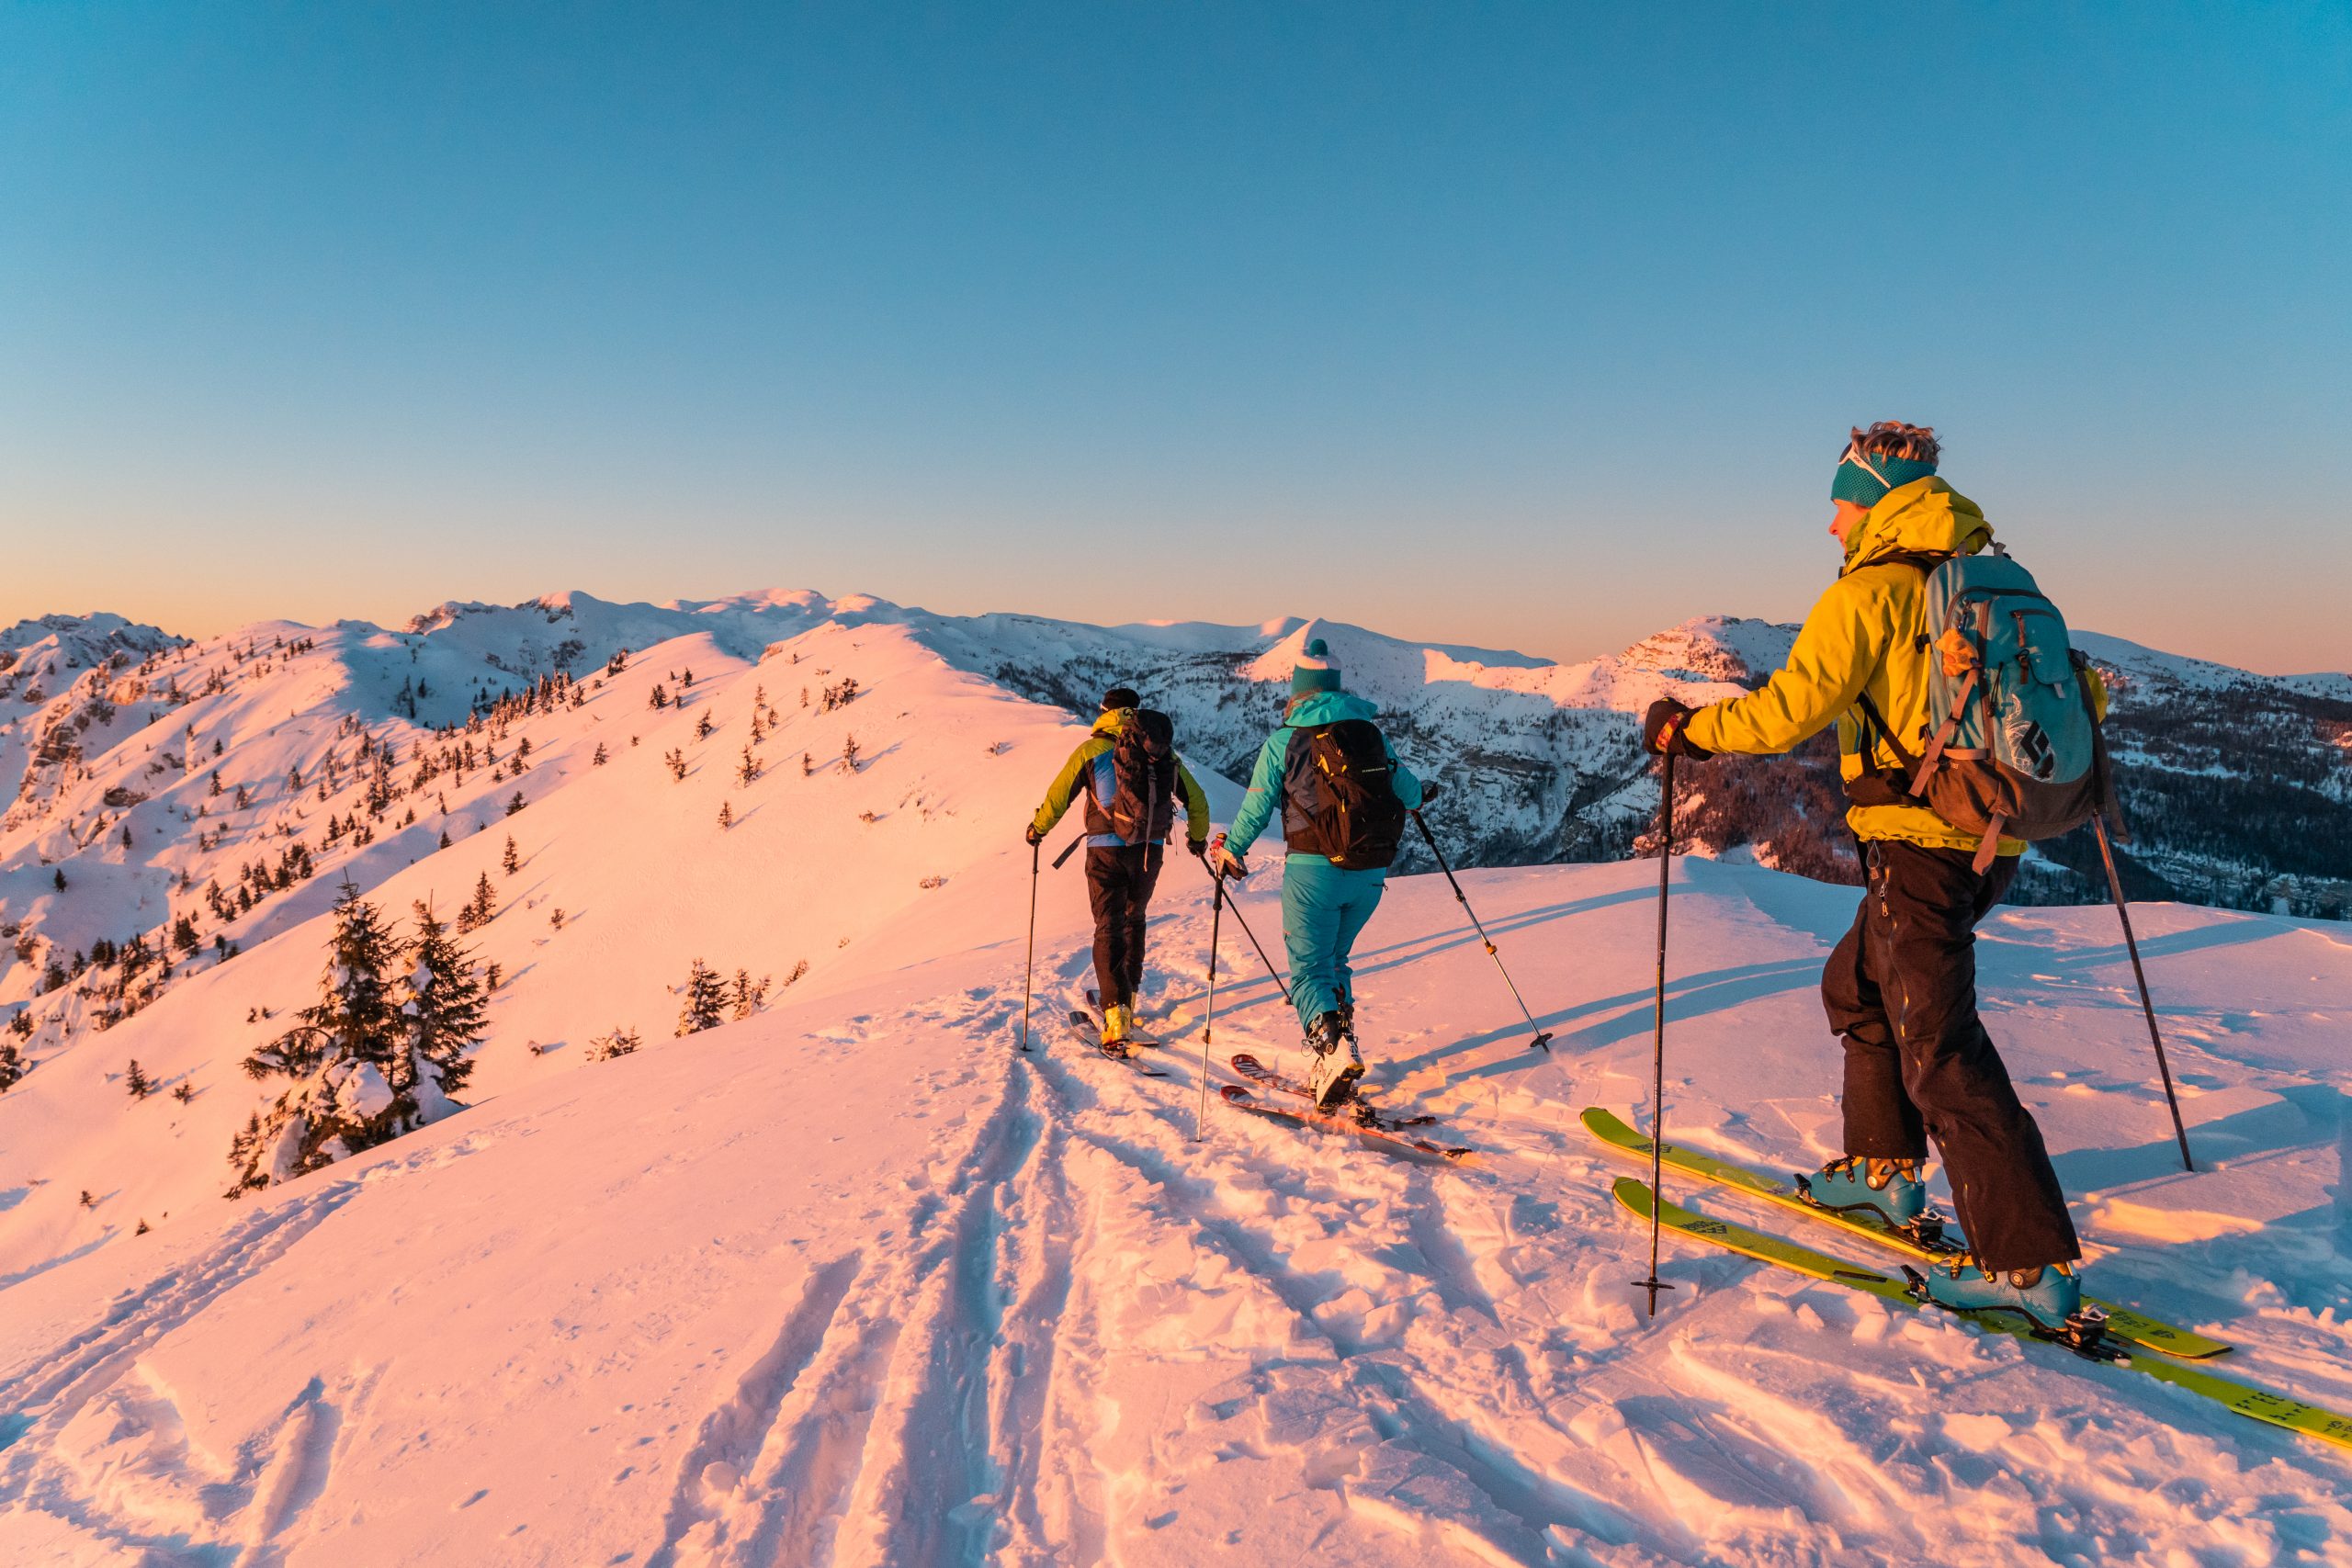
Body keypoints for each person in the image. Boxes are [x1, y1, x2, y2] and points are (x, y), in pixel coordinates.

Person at [1643, 421, 2088, 1329]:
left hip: (1917, 842)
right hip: (1991, 835)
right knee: (1858, 987)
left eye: (1840, 504)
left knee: (1940, 1047)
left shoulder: (1873, 593)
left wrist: (1686, 732)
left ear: (1875, 501)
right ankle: (1883, 1174)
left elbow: (1787, 712)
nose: (1831, 526)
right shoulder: (1996, 583)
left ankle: (2027, 1265)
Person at [1211, 638, 1427, 1111]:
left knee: (1309, 969)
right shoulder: (1370, 735)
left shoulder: (1283, 741)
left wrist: (1231, 850)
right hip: (1371, 871)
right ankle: (1337, 1051)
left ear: (1299, 690)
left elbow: (1256, 808)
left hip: (1313, 872)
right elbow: (1412, 792)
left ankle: (1331, 1051)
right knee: (1335, 962)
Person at [1028, 687, 1211, 1049]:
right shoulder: (1159, 751)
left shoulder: (1092, 750)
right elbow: (1198, 800)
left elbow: (1057, 797)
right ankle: (1128, 1000)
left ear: (1104, 712)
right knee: (1135, 918)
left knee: (1108, 926)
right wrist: (1197, 839)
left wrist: (1038, 829)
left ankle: (1116, 1014)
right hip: (1149, 850)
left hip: (1105, 851)